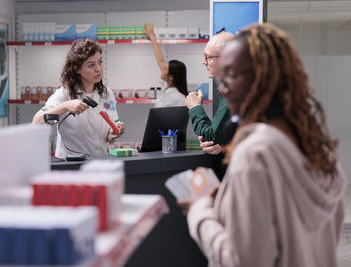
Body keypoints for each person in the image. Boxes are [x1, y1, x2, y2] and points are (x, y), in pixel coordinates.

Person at [183, 24, 346, 267]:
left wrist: (200, 211)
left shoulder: (254, 155)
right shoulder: (320, 151)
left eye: (231, 76)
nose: (223, 87)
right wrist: (231, 198)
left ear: (261, 81)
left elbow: (241, 260)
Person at [32, 39, 125, 158]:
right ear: (77, 69)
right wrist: (65, 106)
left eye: (100, 62)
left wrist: (113, 134)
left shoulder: (106, 94)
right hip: (70, 165)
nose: (98, 69)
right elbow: (36, 122)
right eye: (91, 65)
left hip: (99, 162)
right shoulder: (64, 94)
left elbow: (109, 138)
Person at [185, 31, 234, 178]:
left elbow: (212, 135)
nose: (203, 61)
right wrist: (215, 142)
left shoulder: (234, 90)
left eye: (208, 57)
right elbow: (218, 136)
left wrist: (195, 108)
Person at [143, 23, 188, 107]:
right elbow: (161, 61)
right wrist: (152, 37)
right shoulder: (167, 86)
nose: (162, 69)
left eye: (165, 69)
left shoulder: (179, 97)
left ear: (171, 77)